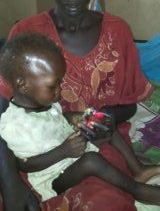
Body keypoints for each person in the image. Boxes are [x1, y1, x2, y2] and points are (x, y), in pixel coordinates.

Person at [0, 0, 156, 211]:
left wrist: (106, 116)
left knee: (102, 201)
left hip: (99, 146)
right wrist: (10, 181)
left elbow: (131, 104)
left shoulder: (119, 32)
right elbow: (3, 111)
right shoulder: (26, 34)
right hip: (35, 152)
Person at [0, 31, 160, 208]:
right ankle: (137, 190)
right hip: (54, 177)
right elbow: (25, 165)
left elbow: (58, 118)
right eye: (53, 86)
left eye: (60, 83)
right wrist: (63, 151)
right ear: (23, 85)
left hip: (69, 146)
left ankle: (137, 169)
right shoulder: (14, 125)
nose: (59, 90)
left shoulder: (41, 102)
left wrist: (73, 118)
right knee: (92, 160)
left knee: (101, 120)